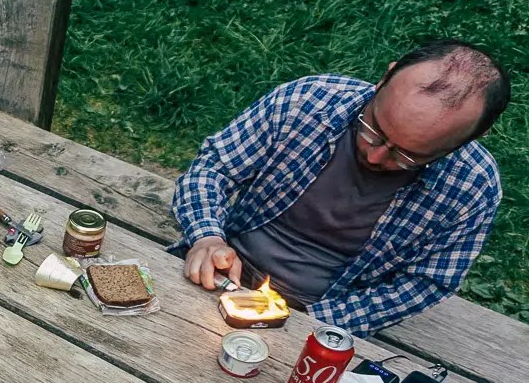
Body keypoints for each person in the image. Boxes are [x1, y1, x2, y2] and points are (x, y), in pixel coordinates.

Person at [170, 38, 509, 337]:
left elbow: (427, 283)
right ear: (384, 80)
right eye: (373, 128)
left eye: (407, 155)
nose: (375, 156)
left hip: (322, 316)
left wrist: (318, 320)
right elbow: (215, 167)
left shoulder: (473, 187)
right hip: (220, 267)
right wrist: (207, 236)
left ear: (469, 139)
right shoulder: (307, 101)